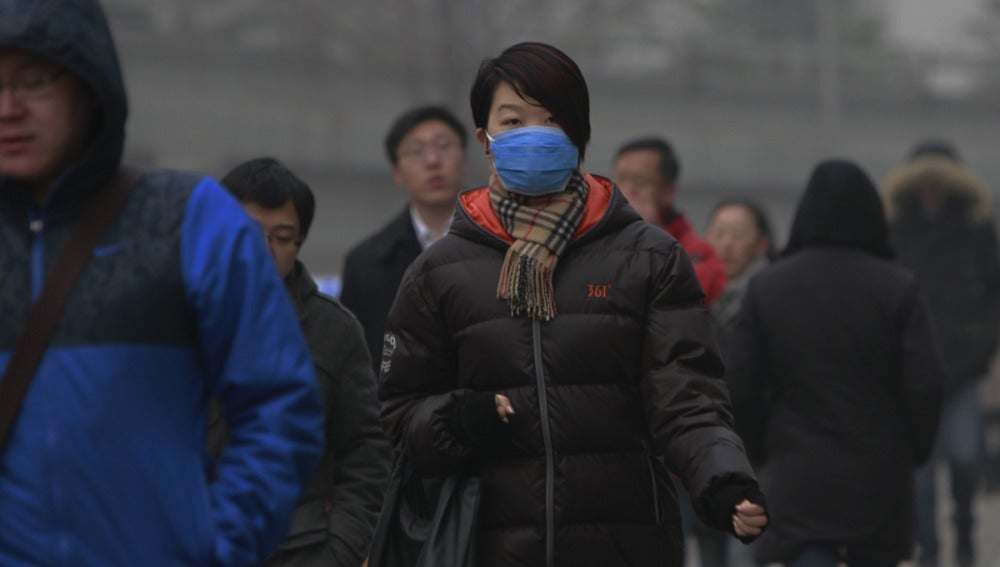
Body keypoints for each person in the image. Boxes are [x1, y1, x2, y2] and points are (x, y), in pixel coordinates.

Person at [377, 41, 767, 567]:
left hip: (627, 543)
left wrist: (722, 478)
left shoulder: (648, 257)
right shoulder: (438, 272)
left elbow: (687, 394)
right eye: (513, 121)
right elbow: (398, 414)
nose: (533, 135)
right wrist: (459, 420)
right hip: (490, 545)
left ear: (580, 134)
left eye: (551, 119)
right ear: (484, 140)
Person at [0, 2, 324, 566]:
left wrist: (216, 549)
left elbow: (278, 406)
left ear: (89, 82)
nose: (9, 108)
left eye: (33, 80)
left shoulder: (188, 218)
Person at [726, 159, 946, 567]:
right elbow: (926, 386)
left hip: (798, 474)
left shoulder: (768, 287)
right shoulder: (898, 288)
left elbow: (740, 384)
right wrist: (911, 451)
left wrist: (763, 449)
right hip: (878, 478)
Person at [216, 157, 392, 567]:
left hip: (300, 550)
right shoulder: (173, 316)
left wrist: (339, 551)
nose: (265, 250)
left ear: (301, 242)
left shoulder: (334, 330)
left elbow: (366, 454)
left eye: (283, 237)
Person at [882, 140, 1000, 567]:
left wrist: (982, 342)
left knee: (967, 458)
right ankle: (929, 550)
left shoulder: (975, 228)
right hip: (911, 369)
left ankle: (965, 526)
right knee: (922, 472)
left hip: (963, 365)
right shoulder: (895, 230)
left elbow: (993, 291)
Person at [340, 105, 468, 374]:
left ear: (464, 159)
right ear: (397, 172)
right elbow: (358, 366)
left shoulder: (500, 245)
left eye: (444, 146)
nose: (433, 160)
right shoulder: (366, 263)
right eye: (416, 151)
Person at [614, 137, 727, 305]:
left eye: (640, 181)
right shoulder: (594, 242)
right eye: (622, 179)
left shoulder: (698, 253)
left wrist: (645, 234)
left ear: (668, 191)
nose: (628, 190)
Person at [706, 198, 776, 357]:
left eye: (739, 234)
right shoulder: (693, 290)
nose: (727, 243)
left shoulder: (771, 295)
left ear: (761, 244)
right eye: (719, 233)